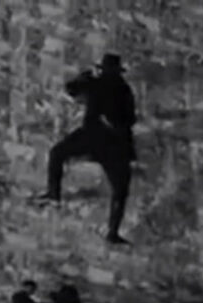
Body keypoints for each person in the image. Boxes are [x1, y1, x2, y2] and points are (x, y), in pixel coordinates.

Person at [34, 53, 137, 245]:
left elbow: (71, 89)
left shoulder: (113, 88)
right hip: (109, 142)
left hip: (103, 140)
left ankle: (54, 194)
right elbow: (72, 89)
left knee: (58, 154)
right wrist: (83, 78)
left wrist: (84, 79)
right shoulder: (118, 88)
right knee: (120, 190)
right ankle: (112, 232)